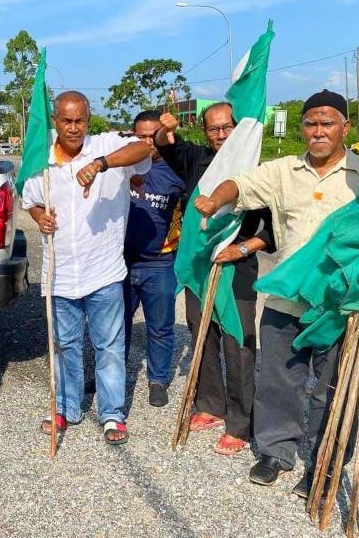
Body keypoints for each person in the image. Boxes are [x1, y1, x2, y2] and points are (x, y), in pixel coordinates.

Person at [192, 90, 359, 495]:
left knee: (334, 388)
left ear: (345, 127)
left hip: (343, 308)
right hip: (286, 300)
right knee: (277, 381)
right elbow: (241, 184)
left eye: (328, 123)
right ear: (302, 128)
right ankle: (275, 452)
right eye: (311, 123)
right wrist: (215, 198)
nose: (318, 131)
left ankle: (326, 463)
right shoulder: (283, 170)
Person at [22, 91, 151, 446]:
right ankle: (66, 407)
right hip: (59, 274)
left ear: (88, 119)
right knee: (64, 345)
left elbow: (143, 149)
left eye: (80, 120)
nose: (74, 128)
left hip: (104, 272)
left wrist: (101, 164)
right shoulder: (42, 162)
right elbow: (30, 200)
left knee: (109, 346)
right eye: (66, 120)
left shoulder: (106, 145)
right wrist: (39, 217)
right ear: (55, 121)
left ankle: (112, 413)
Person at [154, 103, 276, 456]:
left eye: (227, 128)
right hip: (200, 266)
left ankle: (240, 422)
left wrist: (242, 248)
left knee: (238, 341)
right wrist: (164, 127)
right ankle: (210, 404)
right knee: (201, 331)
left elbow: (275, 228)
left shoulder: (256, 170)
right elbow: (164, 144)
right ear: (204, 132)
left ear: (238, 128)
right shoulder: (197, 160)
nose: (221, 135)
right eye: (213, 129)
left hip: (236, 265)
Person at [122, 111, 186, 408]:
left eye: (153, 135)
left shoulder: (176, 171)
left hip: (159, 264)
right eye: (141, 136)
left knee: (160, 326)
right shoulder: (120, 168)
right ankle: (110, 375)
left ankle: (158, 379)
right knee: (114, 326)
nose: (148, 142)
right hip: (119, 263)